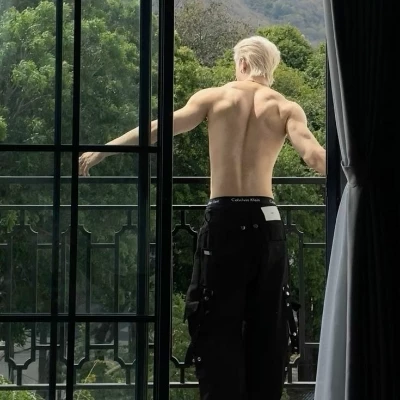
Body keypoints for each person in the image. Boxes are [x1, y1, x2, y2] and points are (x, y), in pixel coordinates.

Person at [79, 36, 326, 400]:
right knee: (268, 321)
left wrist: (103, 151)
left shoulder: (214, 98)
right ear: (269, 67)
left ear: (242, 63)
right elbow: (315, 158)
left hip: (224, 217)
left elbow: (157, 128)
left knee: (215, 320)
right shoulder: (285, 107)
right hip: (265, 220)